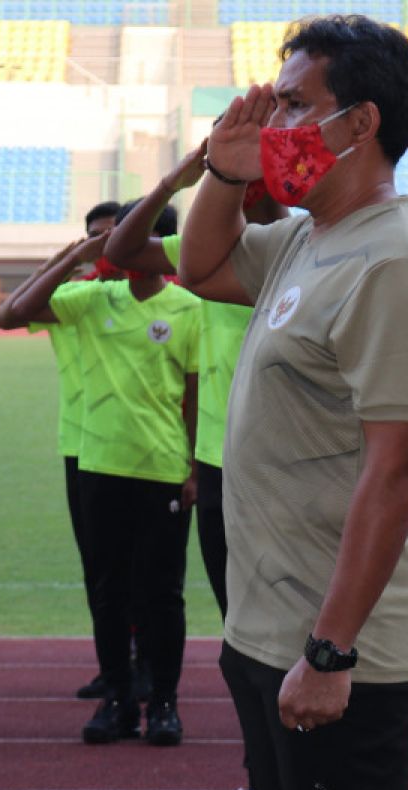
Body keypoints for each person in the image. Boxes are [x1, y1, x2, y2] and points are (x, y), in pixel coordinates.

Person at [180, 16, 408, 790]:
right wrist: (226, 173)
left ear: (361, 122)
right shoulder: (315, 237)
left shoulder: (392, 262)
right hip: (269, 624)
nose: (276, 124)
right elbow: (201, 267)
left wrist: (331, 654)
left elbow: (399, 472)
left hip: (339, 650)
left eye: (295, 105)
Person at [0, 227, 201, 748]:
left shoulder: (188, 308)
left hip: (162, 470)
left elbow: (195, 394)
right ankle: (117, 701)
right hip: (100, 467)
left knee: (162, 595)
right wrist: (74, 257)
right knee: (108, 592)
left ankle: (165, 705)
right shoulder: (91, 299)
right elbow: (12, 314)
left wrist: (195, 469)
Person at [104, 146, 287, 622]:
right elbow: (120, 250)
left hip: (281, 464)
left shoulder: (303, 247)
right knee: (237, 618)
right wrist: (170, 184)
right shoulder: (214, 250)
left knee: (285, 615)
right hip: (216, 462)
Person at [0, 200, 121, 700]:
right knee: (97, 565)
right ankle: (112, 662)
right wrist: (68, 261)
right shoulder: (74, 298)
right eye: (94, 236)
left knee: (141, 572)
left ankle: (143, 666)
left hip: (142, 449)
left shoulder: (165, 297)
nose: (104, 245)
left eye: (113, 235)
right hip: (81, 442)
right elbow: (9, 313)